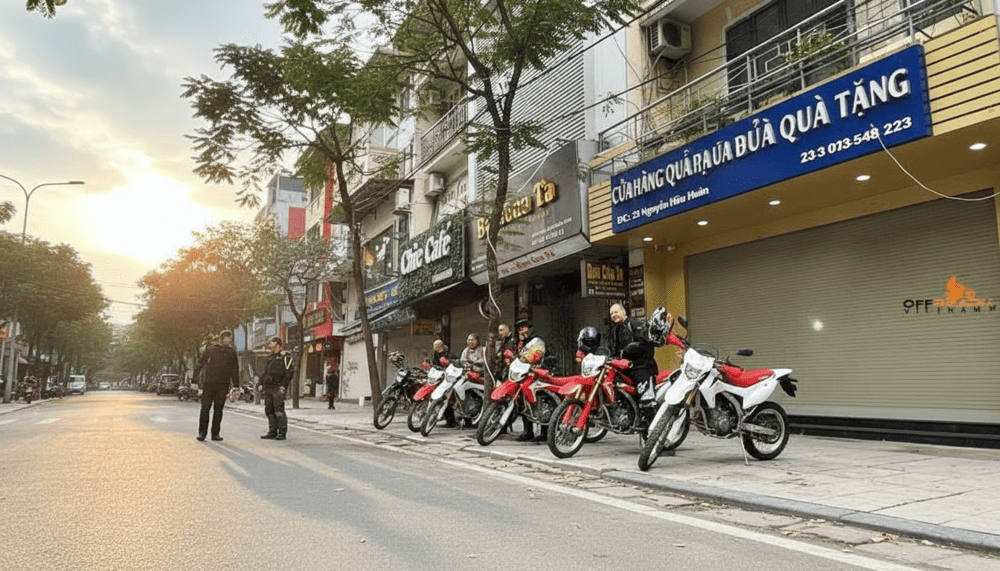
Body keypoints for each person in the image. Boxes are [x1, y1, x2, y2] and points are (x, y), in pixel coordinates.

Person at [607, 303, 670, 405]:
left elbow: (645, 341)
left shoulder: (634, 323)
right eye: (611, 313)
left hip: (641, 367)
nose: (614, 315)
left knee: (646, 402)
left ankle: (651, 418)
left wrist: (628, 350)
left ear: (623, 312)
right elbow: (613, 349)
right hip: (625, 368)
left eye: (616, 312)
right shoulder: (615, 330)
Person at [192, 330, 240, 442]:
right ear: (222, 338)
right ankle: (202, 433)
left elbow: (235, 369)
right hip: (209, 383)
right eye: (228, 338)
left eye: (231, 338)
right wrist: (194, 379)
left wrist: (236, 385)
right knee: (205, 408)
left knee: (218, 409)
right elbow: (200, 363)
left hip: (223, 385)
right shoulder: (211, 349)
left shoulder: (232, 352)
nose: (230, 340)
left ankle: (215, 434)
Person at [513, 319, 549, 443]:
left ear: (529, 329)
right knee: (523, 402)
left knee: (541, 400)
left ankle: (545, 432)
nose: (520, 331)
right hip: (525, 374)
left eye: (523, 328)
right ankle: (528, 431)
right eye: (519, 329)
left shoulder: (537, 341)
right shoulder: (521, 343)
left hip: (540, 373)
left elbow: (540, 356)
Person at [260, 337, 295, 441]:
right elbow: (265, 372)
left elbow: (289, 373)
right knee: (269, 410)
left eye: (273, 343)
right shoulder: (270, 357)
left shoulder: (286, 357)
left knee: (279, 411)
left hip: (278, 387)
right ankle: (272, 431)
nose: (270, 345)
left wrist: (283, 386)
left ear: (278, 345)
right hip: (268, 387)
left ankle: (282, 432)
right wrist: (260, 383)